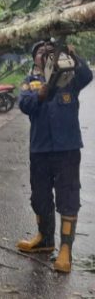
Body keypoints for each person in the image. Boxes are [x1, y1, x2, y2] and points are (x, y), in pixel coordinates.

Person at [17, 38, 93, 273]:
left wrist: (72, 53)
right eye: (40, 51)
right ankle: (45, 239)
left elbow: (87, 76)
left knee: (68, 197)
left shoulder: (68, 79)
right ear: (35, 60)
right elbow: (25, 105)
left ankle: (65, 250)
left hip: (67, 149)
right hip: (40, 149)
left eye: (49, 50)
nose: (45, 53)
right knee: (39, 196)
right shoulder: (29, 82)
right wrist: (44, 91)